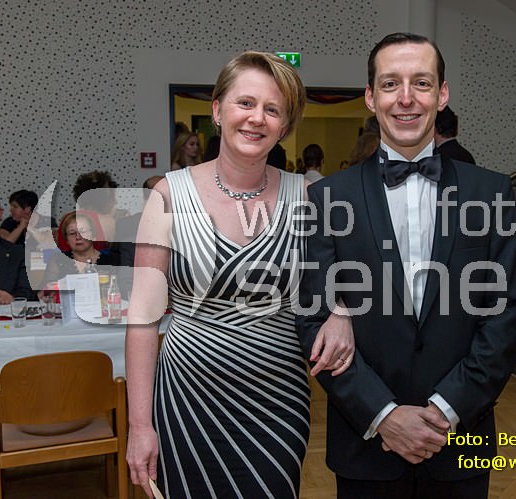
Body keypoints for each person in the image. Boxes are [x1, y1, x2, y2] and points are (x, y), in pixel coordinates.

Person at [296, 33, 516, 499]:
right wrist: (383, 415)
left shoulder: (491, 192)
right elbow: (314, 320)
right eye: (390, 84)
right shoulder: (327, 197)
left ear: (442, 94)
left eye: (421, 83)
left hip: (459, 441)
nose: (406, 98)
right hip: (366, 446)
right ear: (370, 96)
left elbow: (505, 314)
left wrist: (445, 410)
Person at [125, 51, 354, 499]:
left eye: (272, 109)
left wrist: (342, 311)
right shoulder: (168, 195)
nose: (256, 118)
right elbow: (143, 317)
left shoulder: (309, 196)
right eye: (245, 103)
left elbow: (350, 275)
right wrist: (139, 425)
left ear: (285, 126)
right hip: (185, 399)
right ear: (217, 110)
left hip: (277, 400)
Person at [39, 211, 119, 291]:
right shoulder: (58, 260)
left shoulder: (110, 261)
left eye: (83, 231)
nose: (78, 237)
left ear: (93, 236)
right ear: (67, 240)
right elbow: (42, 292)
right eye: (72, 233)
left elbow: (120, 291)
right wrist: (48, 291)